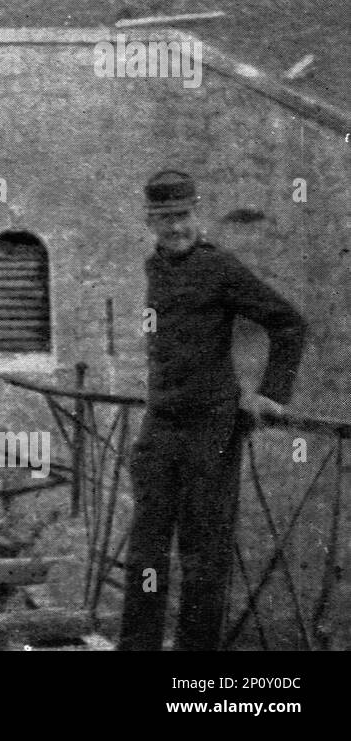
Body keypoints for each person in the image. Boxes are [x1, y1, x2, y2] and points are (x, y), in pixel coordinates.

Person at [118, 170, 307, 651]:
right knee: (146, 552)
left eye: (182, 216)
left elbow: (287, 323)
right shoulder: (153, 267)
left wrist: (270, 395)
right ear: (150, 221)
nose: (175, 228)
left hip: (211, 430)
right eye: (165, 220)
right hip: (160, 426)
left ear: (195, 214)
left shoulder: (220, 267)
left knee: (203, 556)